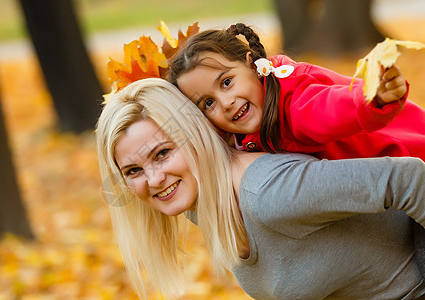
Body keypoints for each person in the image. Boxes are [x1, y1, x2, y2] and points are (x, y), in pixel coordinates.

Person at [96, 77, 425, 299]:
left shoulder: (269, 192)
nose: (153, 180)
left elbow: (410, 179)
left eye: (163, 153)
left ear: (195, 136)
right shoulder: (205, 202)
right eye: (133, 170)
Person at [166, 23, 425, 160]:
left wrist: (372, 98)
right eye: (208, 103)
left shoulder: (291, 102)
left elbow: (328, 108)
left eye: (226, 82)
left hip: (412, 156)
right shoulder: (243, 125)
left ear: (252, 65)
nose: (225, 102)